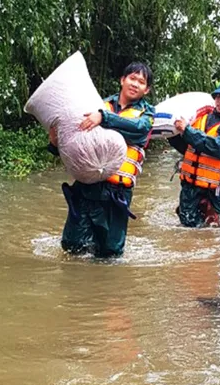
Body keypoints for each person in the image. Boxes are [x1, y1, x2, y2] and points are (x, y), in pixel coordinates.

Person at [48, 62, 155, 258]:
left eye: (141, 82)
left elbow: (138, 129)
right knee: (73, 247)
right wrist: (56, 142)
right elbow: (76, 141)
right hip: (86, 186)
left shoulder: (147, 115)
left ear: (146, 90)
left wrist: (104, 118)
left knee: (110, 253)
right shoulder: (97, 104)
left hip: (116, 193)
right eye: (132, 78)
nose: (135, 84)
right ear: (122, 80)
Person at [168, 81, 220, 227]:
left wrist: (187, 131)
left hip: (213, 190)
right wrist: (172, 132)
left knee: (215, 227)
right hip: (190, 185)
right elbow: (186, 147)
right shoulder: (199, 118)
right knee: (187, 225)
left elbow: (217, 147)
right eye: (219, 97)